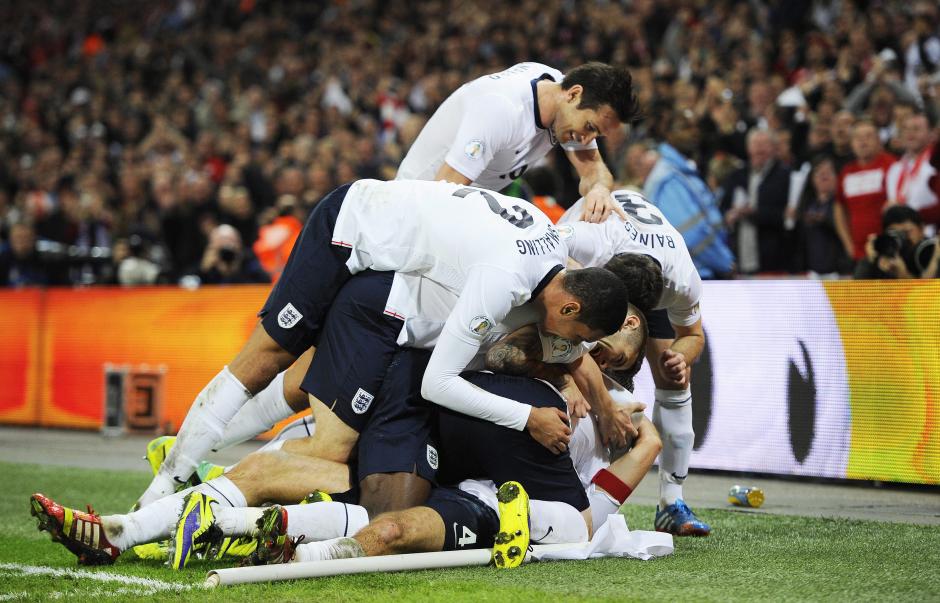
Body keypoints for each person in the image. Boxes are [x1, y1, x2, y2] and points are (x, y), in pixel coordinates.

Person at [30, 308, 655, 569]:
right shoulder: (535, 352)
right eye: (591, 346)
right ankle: (125, 529)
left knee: (381, 522)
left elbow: (589, 513)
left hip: (466, 493)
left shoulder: (614, 422)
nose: (596, 359)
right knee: (267, 464)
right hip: (418, 436)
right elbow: (522, 347)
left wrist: (632, 431)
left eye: (612, 356)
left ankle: (250, 532)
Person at [135, 179, 629, 509]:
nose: (573, 348)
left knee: (301, 378)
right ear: (569, 308)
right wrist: (526, 417)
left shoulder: (554, 246)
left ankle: (190, 460)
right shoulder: (502, 281)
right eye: (579, 338)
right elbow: (440, 382)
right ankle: (166, 488)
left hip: (383, 282)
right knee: (265, 360)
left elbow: (595, 242)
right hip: (349, 230)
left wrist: (598, 396)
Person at [556, 189, 710, 536]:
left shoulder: (681, 277)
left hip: (645, 277)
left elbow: (693, 335)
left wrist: (680, 357)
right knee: (579, 362)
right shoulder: (590, 238)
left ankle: (672, 503)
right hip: (582, 274)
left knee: (672, 378)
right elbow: (534, 256)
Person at [396, 62, 640, 223]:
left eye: (596, 135)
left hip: (462, 204)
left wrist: (598, 189)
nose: (586, 140)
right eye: (589, 128)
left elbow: (594, 171)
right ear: (573, 94)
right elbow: (442, 193)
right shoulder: (502, 109)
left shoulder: (562, 98)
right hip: (415, 207)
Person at [642, 110, 736, 280]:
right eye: (684, 127)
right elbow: (690, 233)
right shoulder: (668, 178)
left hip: (698, 274)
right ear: (668, 134)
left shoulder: (680, 171)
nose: (693, 132)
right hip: (693, 277)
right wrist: (725, 263)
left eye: (694, 127)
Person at [720, 129, 792, 274]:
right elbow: (722, 208)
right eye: (755, 144)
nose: (759, 149)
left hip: (773, 259)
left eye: (764, 144)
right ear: (748, 148)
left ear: (774, 148)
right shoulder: (736, 175)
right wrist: (728, 216)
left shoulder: (785, 176)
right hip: (739, 257)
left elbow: (786, 215)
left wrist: (753, 213)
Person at [834, 119, 897, 261]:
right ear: (851, 143)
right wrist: (847, 243)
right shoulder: (847, 171)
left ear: (879, 141)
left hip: (887, 251)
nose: (863, 142)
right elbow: (838, 206)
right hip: (857, 253)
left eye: (868, 136)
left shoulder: (892, 165)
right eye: (858, 138)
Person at [795, 156, 855, 275]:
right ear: (812, 179)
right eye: (819, 172)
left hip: (839, 271)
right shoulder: (806, 205)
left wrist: (825, 221)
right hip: (812, 272)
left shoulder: (844, 205)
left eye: (828, 171)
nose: (823, 175)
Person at [853, 205, 935, 279]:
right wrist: (872, 262)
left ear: (922, 229)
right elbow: (860, 291)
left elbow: (932, 293)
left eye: (907, 232)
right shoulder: (884, 257)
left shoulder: (933, 251)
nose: (903, 238)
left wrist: (904, 276)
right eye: (895, 234)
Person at [885, 113, 937, 223]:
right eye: (905, 129)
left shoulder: (936, 163)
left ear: (931, 133)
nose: (910, 133)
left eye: (916, 129)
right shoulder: (894, 169)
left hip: (932, 231)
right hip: (904, 233)